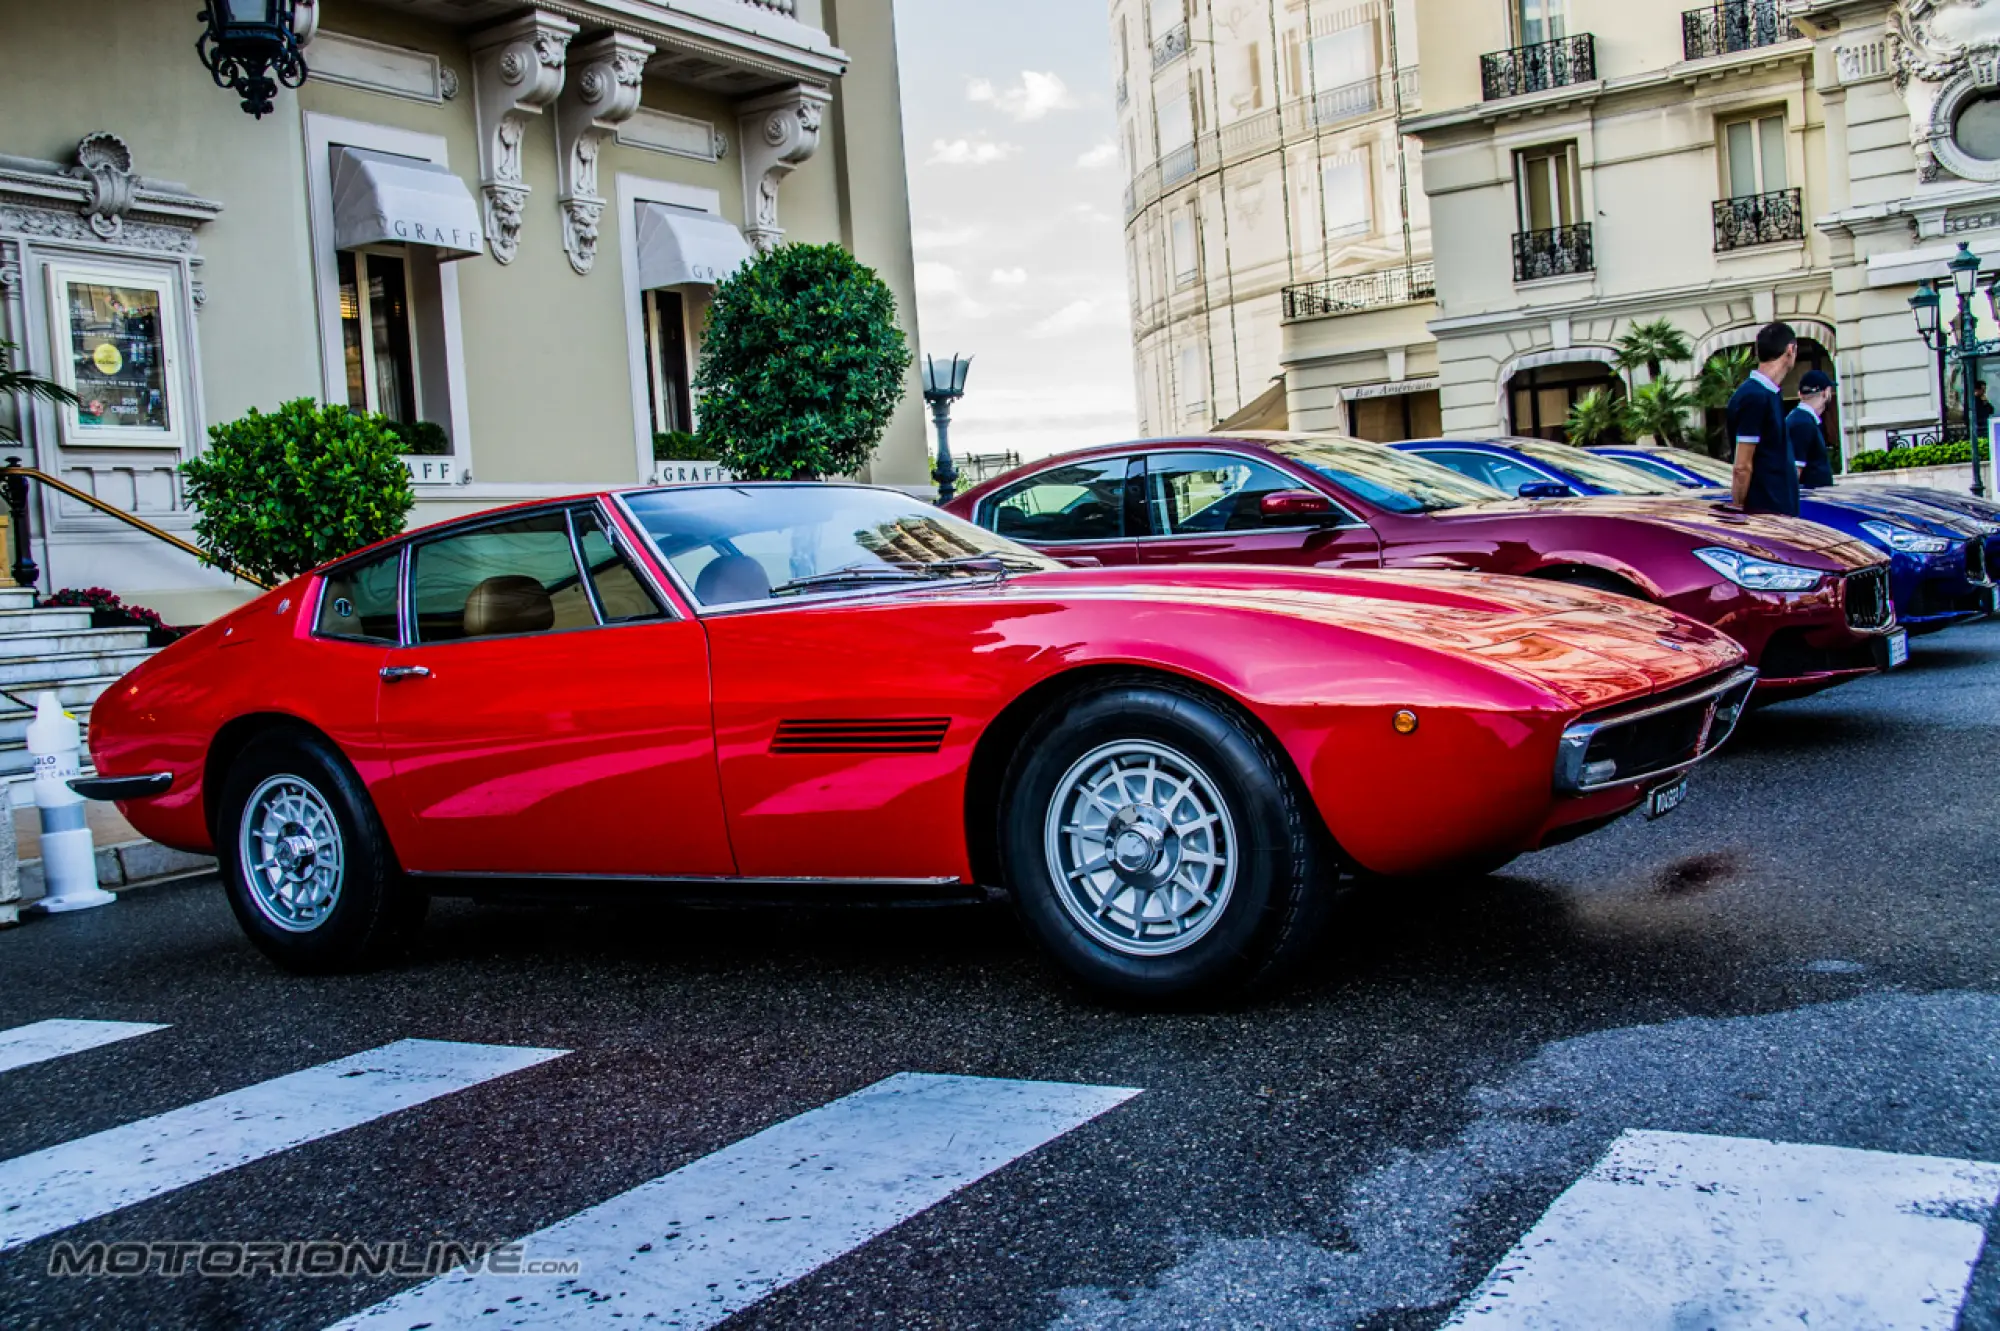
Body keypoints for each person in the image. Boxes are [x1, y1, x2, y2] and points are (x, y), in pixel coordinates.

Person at [1729, 321, 1800, 516]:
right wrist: (1737, 509)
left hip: (1780, 512)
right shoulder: (1754, 396)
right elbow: (1742, 465)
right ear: (1790, 349)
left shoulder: (1770, 393)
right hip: (1766, 516)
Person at [1790, 369, 1836, 489]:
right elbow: (1793, 472)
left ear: (1800, 394)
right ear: (1826, 393)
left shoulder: (1801, 420)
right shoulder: (1802, 424)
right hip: (1810, 502)